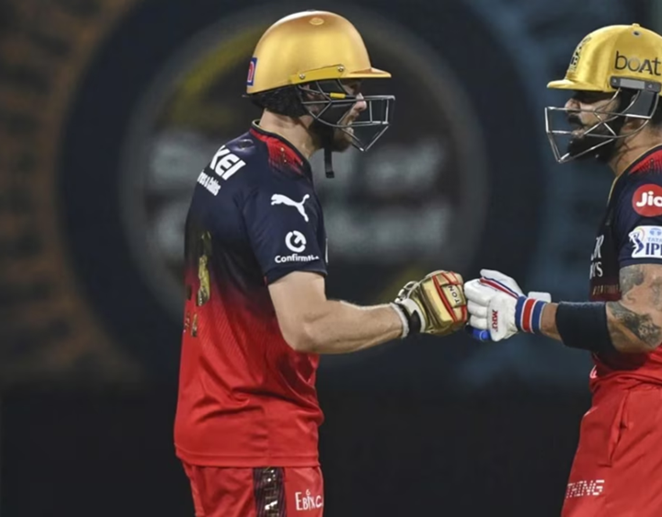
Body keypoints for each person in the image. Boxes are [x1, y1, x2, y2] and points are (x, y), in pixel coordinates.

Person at [173, 11, 467, 517]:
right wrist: (411, 313)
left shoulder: (235, 157)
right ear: (309, 94)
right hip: (258, 437)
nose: (360, 103)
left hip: (217, 425)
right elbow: (307, 326)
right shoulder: (278, 184)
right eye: (349, 88)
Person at [465, 23, 662, 516]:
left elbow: (641, 325)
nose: (570, 108)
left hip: (648, 409)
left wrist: (524, 312)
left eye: (587, 96)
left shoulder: (651, 193)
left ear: (638, 104)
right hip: (660, 410)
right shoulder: (647, 184)